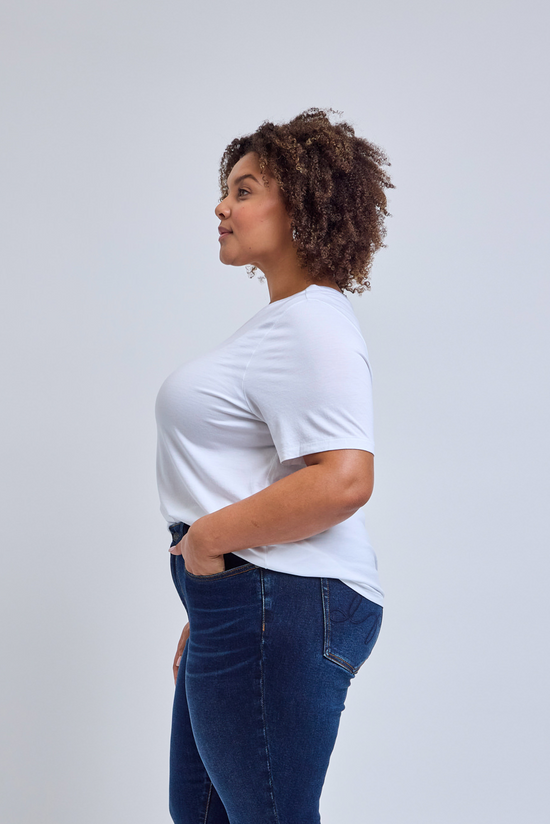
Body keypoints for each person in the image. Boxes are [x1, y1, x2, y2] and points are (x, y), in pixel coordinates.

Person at [155, 107, 394, 824]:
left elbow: (344, 478)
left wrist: (206, 544)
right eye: (228, 189)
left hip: (281, 598)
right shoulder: (280, 324)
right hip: (248, 600)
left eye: (246, 188)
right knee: (201, 815)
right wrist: (211, 598)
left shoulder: (312, 321)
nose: (223, 207)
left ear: (304, 205)